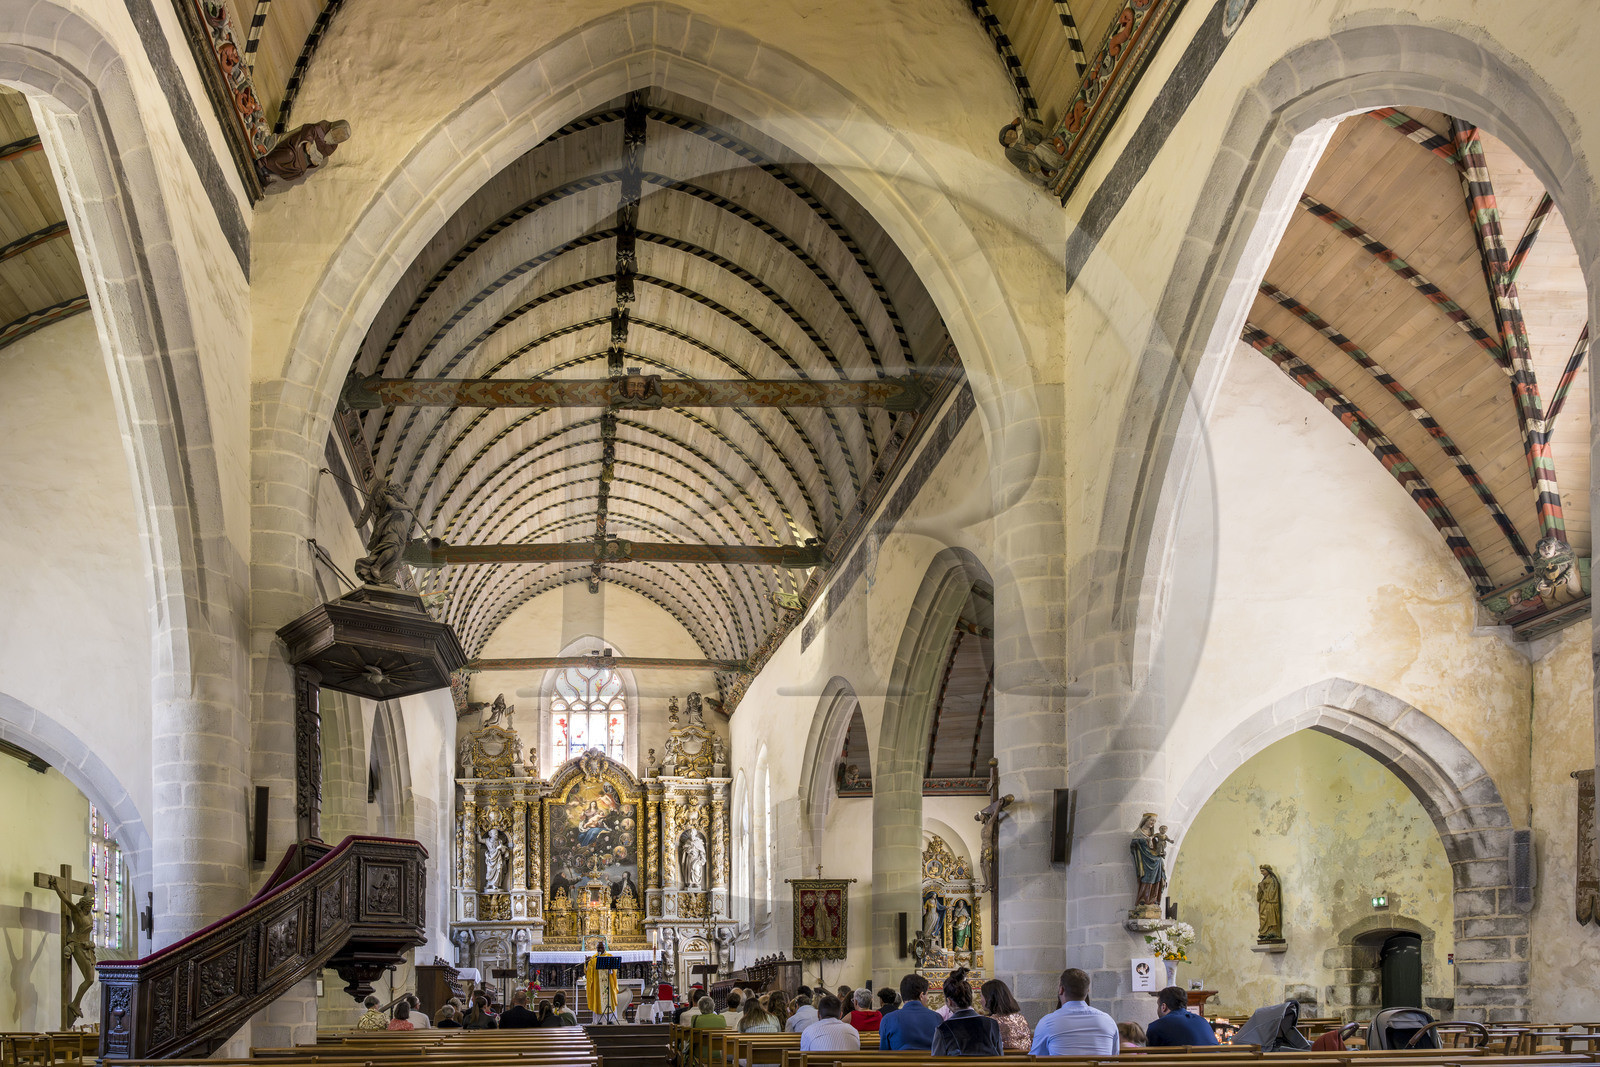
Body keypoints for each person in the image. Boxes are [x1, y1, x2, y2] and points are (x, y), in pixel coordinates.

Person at [1030, 968, 1118, 1055]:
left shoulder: (1047, 1022)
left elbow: (1036, 1058)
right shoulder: (1108, 1021)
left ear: (1061, 990)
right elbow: (1114, 1058)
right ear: (1087, 991)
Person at [931, 967, 1000, 1056]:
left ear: (949, 1001)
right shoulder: (992, 1024)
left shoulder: (942, 1029)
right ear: (971, 998)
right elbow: (999, 1057)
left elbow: (937, 1062)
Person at [878, 973, 940, 1050]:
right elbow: (941, 1050)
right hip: (929, 1062)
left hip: (899, 1061)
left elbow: (884, 1052)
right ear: (921, 995)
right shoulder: (937, 1017)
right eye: (926, 995)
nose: (927, 999)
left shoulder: (887, 1019)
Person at [1144, 986, 1218, 1047]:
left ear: (1163, 1007)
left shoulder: (1156, 1026)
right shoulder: (1203, 1021)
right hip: (1213, 1064)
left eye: (1158, 1005)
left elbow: (1151, 1058)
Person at [979, 978, 1032, 1052]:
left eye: (981, 996)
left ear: (990, 998)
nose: (980, 1000)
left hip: (999, 1062)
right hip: (1023, 1061)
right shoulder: (1021, 1018)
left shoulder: (990, 1022)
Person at [586, 939, 620, 1024]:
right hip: (597, 985)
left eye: (601, 947)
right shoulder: (593, 959)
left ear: (605, 947)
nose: (600, 949)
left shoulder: (610, 956)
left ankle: (610, 1020)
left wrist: (611, 970)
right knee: (598, 1000)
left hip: (609, 983)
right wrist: (587, 964)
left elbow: (615, 970)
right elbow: (588, 972)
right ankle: (599, 1020)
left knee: (609, 999)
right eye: (598, 948)